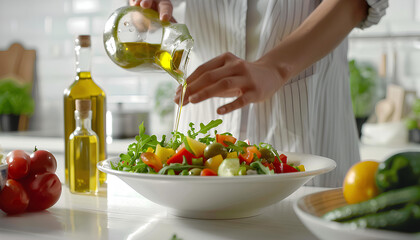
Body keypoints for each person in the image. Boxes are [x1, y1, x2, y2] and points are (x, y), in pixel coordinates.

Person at [130, 0, 388, 187]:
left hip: (310, 141)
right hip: (195, 161)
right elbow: (141, 18)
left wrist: (275, 68)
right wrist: (145, 10)